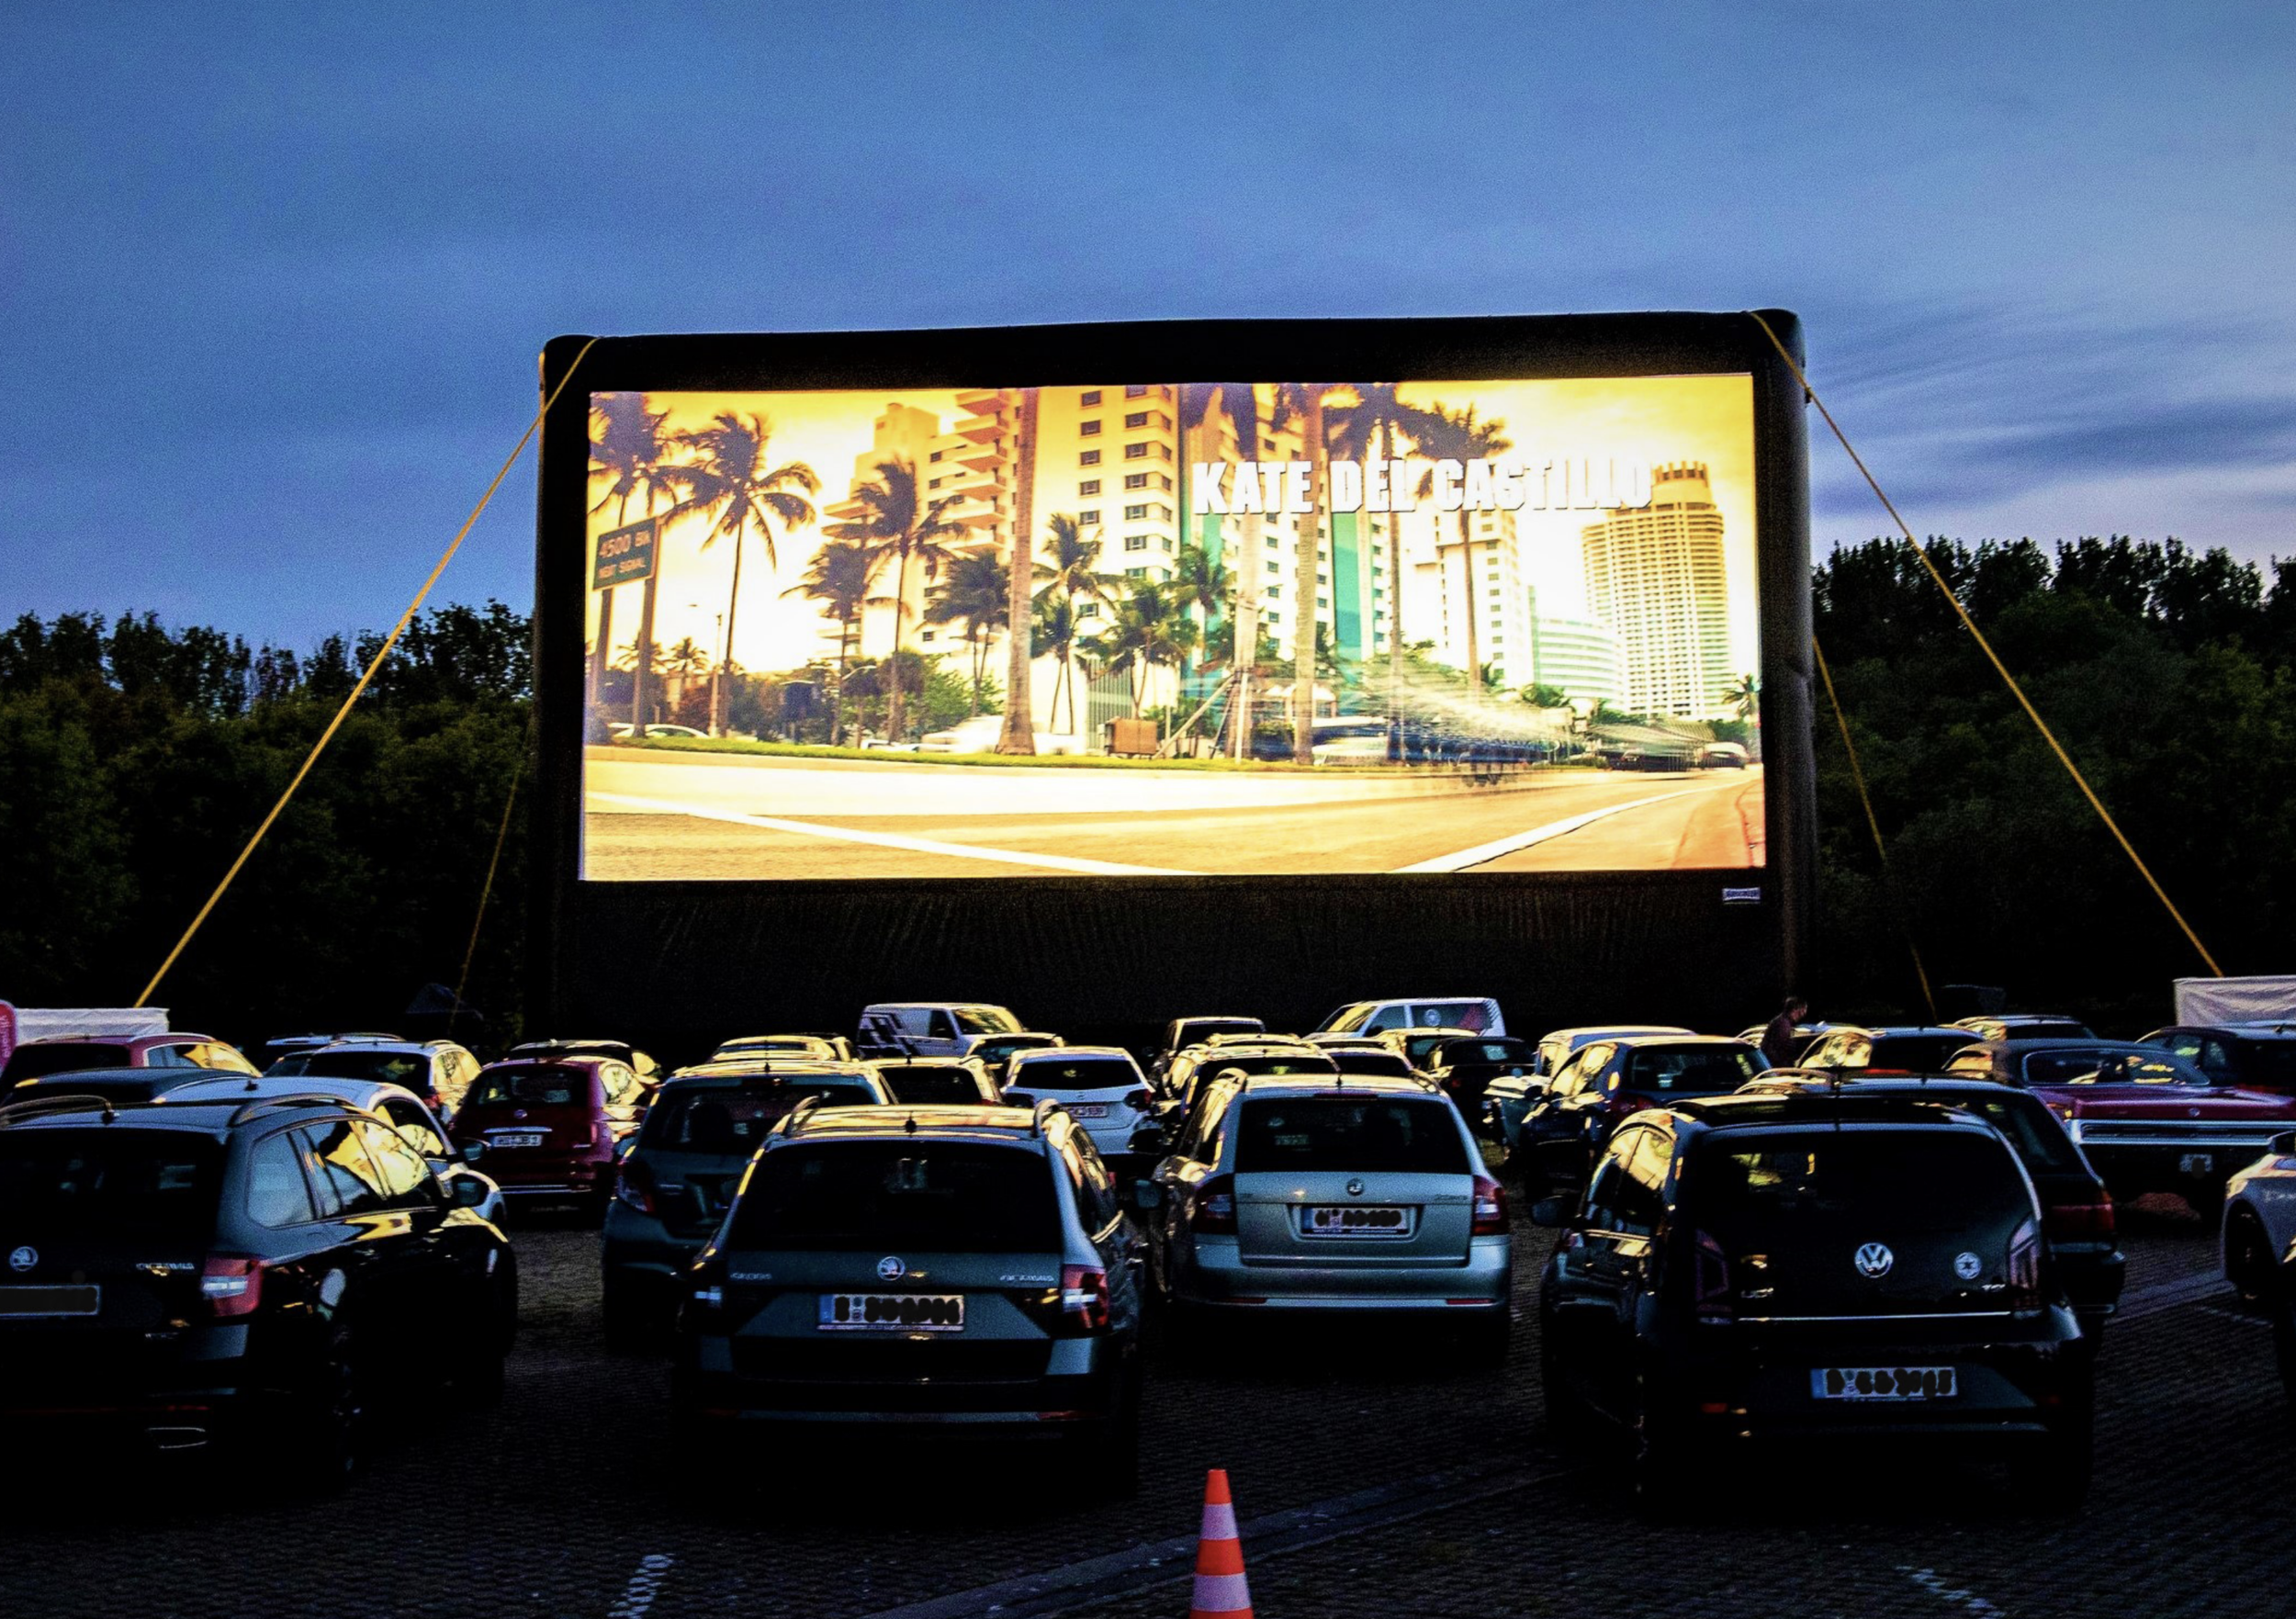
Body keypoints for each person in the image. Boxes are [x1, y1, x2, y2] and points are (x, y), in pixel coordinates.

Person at [1761, 995, 1809, 1069]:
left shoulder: (1782, 1021)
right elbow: (1782, 1051)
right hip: (1776, 1068)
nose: (1805, 1013)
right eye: (1804, 1009)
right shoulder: (1783, 1025)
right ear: (1797, 1009)